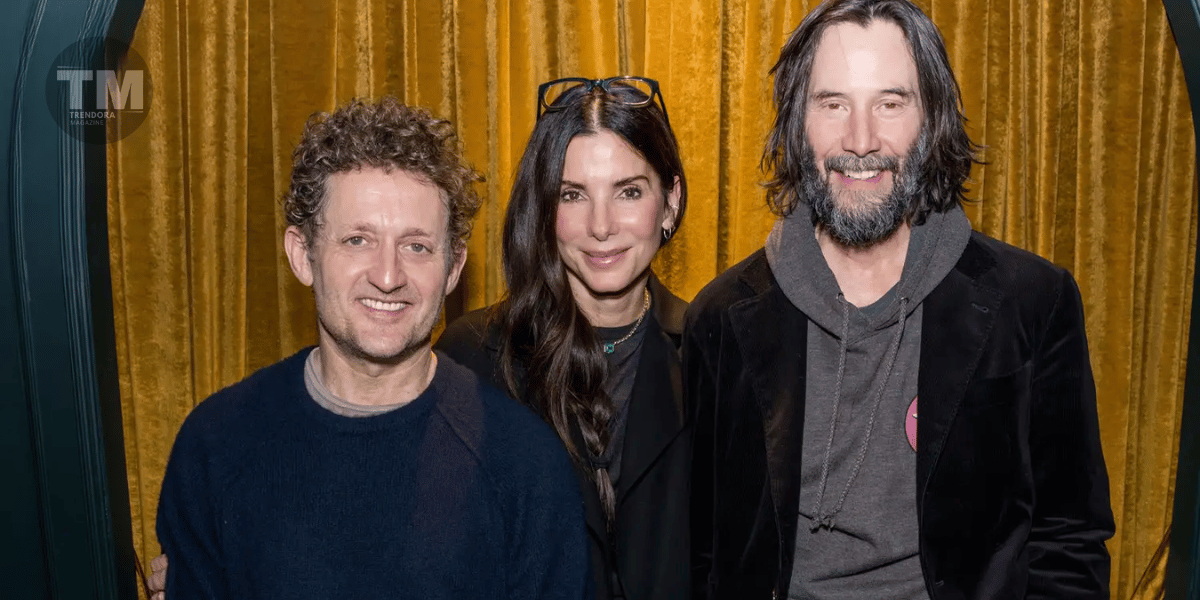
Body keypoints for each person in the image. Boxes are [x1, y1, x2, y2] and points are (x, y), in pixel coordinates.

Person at [685, 1, 1114, 598]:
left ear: (931, 119)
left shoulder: (1032, 302)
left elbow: (1068, 538)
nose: (860, 139)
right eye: (832, 104)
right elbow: (706, 553)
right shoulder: (720, 319)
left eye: (890, 103)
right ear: (795, 124)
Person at [155, 97, 589, 600]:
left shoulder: (524, 465)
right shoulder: (215, 446)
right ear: (303, 255)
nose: (388, 277)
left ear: (452, 268)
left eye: (417, 246)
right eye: (357, 240)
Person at [436, 76, 690, 600]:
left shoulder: (715, 351)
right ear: (543, 210)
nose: (601, 226)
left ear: (668, 202)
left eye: (628, 192)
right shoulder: (472, 356)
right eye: (572, 195)